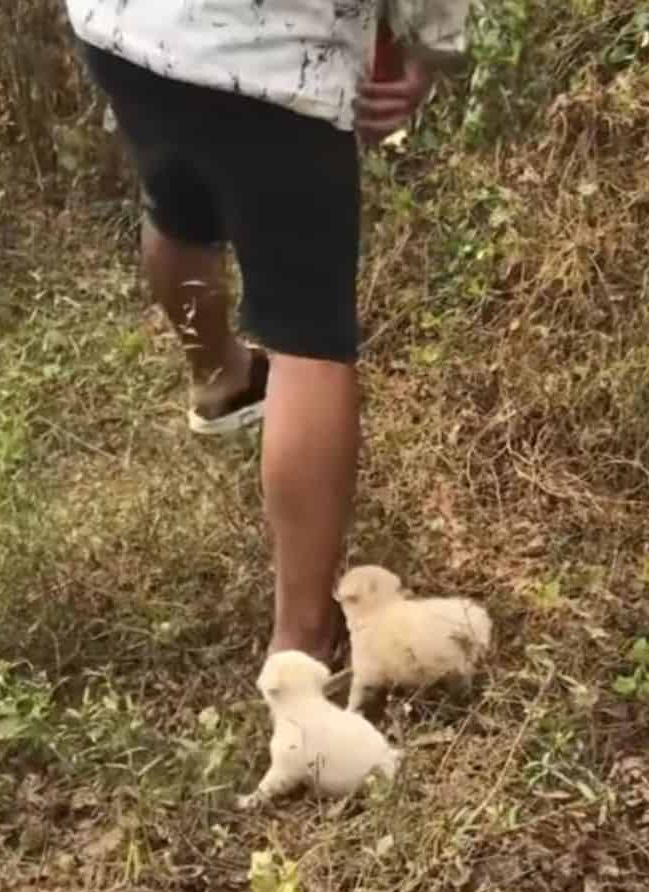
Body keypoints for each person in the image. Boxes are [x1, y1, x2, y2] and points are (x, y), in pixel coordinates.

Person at [65, 0, 470, 665]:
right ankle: (303, 639)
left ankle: (221, 376)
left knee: (176, 200)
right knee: (309, 331)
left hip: (126, 29)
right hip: (275, 59)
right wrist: (430, 47)